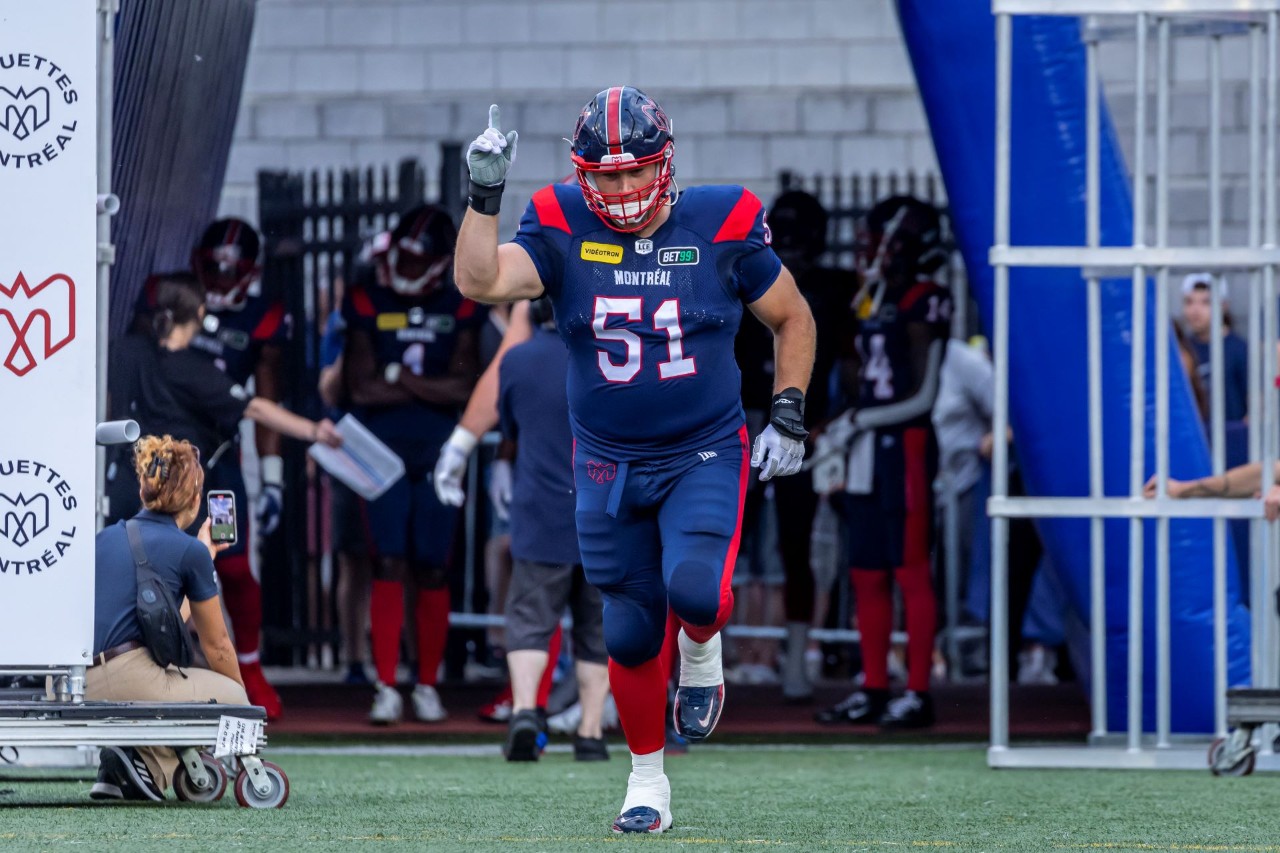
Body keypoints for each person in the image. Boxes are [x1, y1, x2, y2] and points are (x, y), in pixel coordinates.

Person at [453, 89, 817, 833]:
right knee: (623, 630)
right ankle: (646, 780)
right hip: (607, 458)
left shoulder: (722, 221)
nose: (619, 190)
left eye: (634, 173)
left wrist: (788, 409)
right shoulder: (559, 223)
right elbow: (479, 280)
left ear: (666, 161)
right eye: (605, 175)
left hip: (702, 448)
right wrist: (484, 194)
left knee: (696, 593)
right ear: (580, 172)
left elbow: (792, 315)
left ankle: (704, 652)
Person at [121, 219, 292, 718]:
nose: (218, 283)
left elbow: (264, 396)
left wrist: (274, 474)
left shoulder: (260, 318)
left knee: (233, 566)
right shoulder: (169, 296)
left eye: (228, 273)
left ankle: (250, 667)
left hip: (217, 466)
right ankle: (166, 665)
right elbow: (134, 363)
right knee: (152, 565)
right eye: (211, 272)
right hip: (163, 462)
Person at [340, 204, 485, 725]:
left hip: (439, 449)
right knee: (387, 561)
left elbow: (466, 384)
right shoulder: (365, 298)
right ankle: (386, 683)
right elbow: (361, 386)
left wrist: (398, 376)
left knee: (432, 564)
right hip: (380, 450)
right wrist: (424, 387)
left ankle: (426, 682)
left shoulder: (461, 300)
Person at [815, 196, 951, 729]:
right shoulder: (867, 299)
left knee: (911, 570)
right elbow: (854, 380)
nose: (877, 251)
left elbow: (924, 394)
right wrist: (836, 423)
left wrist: (860, 423)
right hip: (866, 447)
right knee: (866, 571)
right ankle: (873, 685)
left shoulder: (928, 299)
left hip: (906, 447)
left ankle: (917, 690)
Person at [106, 272, 341, 542]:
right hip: (199, 485)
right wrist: (314, 430)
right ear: (201, 312)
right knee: (214, 555)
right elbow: (256, 408)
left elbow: (107, 407)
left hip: (127, 480)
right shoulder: (196, 371)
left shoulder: (123, 350)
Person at [88, 436, 247, 802]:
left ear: (144, 490)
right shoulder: (187, 551)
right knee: (230, 694)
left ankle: (118, 767)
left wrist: (205, 554)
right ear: (194, 497)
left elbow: (161, 625)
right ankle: (146, 762)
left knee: (163, 681)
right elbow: (218, 645)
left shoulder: (105, 537)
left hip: (77, 680)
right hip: (130, 678)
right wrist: (241, 698)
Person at [495, 295, 611, 763]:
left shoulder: (518, 361)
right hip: (604, 510)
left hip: (541, 511)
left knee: (529, 622)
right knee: (598, 629)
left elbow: (509, 428)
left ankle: (525, 710)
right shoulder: (611, 358)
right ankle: (590, 731)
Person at [1180, 272, 1248, 425]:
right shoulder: (1183, 350)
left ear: (1223, 306)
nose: (1195, 310)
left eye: (1206, 302)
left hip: (1233, 441)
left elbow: (1256, 406)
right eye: (1189, 302)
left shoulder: (1240, 349)